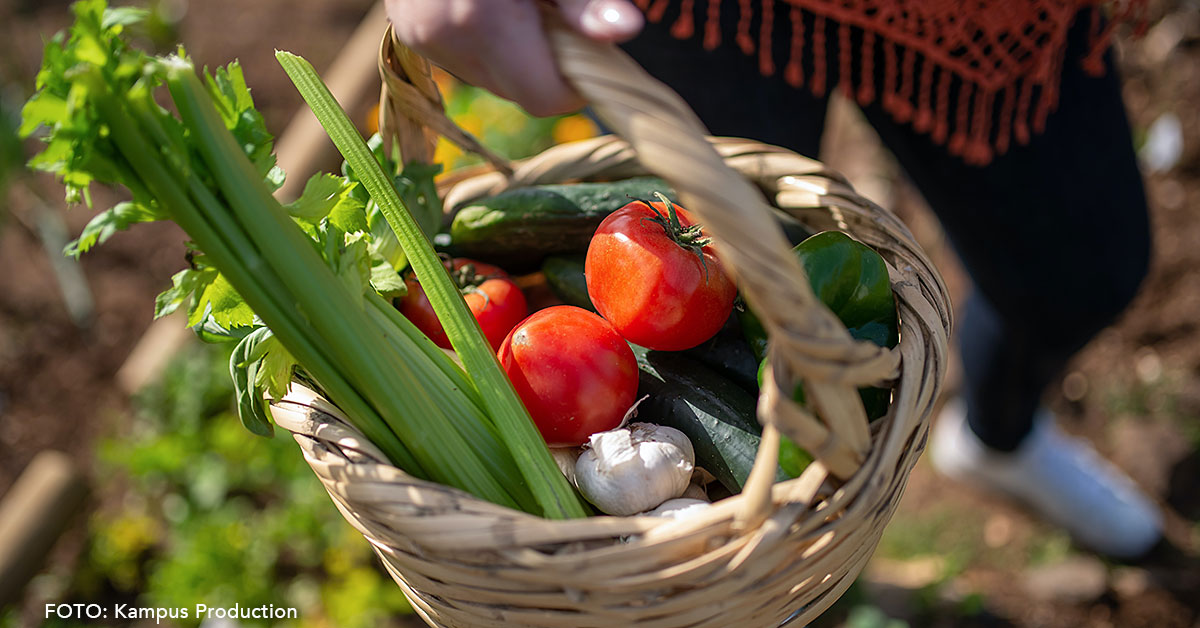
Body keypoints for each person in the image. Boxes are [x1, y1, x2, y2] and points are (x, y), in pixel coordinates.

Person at [384, 0, 1163, 559]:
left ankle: (1000, 435)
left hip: (969, 17)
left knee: (1087, 267)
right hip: (699, 17)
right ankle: (802, 588)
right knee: (723, 194)